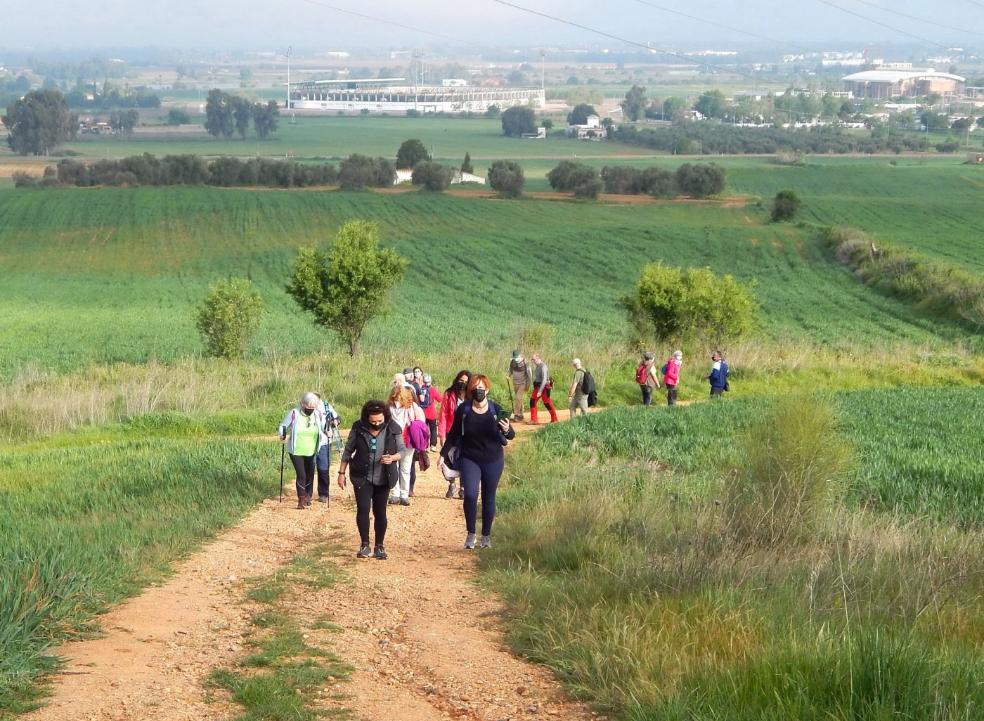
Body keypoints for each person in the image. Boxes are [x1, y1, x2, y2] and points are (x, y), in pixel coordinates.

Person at [441, 375, 515, 549]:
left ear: (487, 390)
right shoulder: (464, 410)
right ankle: (471, 534)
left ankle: (486, 537)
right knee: (471, 495)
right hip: (470, 458)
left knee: (489, 497)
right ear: (470, 391)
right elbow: (453, 434)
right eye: (474, 388)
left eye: (481, 388)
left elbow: (511, 435)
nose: (478, 391)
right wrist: (443, 455)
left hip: (493, 459)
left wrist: (506, 428)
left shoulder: (495, 409)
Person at [336, 400, 405, 560]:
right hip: (362, 476)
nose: (376, 424)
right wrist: (341, 472)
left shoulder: (393, 428)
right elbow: (347, 451)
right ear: (366, 418)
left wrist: (392, 458)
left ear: (385, 417)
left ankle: (379, 546)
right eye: (373, 421)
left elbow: (402, 450)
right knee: (363, 508)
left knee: (380, 512)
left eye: (380, 421)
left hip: (384, 477)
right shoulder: (358, 427)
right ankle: (364, 544)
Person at [278, 392, 328, 509]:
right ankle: (301, 499)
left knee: (310, 474)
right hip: (296, 450)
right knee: (301, 474)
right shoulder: (294, 413)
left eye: (312, 407)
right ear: (302, 404)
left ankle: (308, 496)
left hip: (311, 449)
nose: (310, 409)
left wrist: (328, 431)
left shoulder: (318, 415)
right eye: (308, 407)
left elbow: (324, 427)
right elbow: (283, 426)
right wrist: (282, 435)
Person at [387, 385, 424, 505]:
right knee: (394, 468)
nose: (396, 399)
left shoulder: (412, 407)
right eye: (395, 397)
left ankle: (404, 495)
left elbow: (421, 422)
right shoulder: (388, 408)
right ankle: (395, 494)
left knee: (405, 469)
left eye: (398, 396)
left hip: (408, 441)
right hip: (392, 441)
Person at [438, 369, 471, 499]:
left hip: (467, 435)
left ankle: (463, 488)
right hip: (451, 432)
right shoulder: (449, 394)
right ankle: (451, 484)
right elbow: (443, 415)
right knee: (447, 460)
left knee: (465, 460)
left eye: (466, 382)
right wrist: (442, 434)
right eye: (460, 380)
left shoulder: (471, 396)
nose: (462, 383)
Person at [314, 392, 342, 503]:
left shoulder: (326, 406)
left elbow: (337, 418)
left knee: (323, 468)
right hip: (309, 443)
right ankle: (306, 494)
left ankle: (323, 493)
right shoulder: (304, 407)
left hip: (325, 441)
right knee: (309, 468)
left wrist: (335, 421)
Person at [529, 353, 558, 424]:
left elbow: (544, 380)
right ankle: (534, 420)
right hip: (538, 387)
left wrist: (540, 391)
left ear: (538, 358)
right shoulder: (538, 366)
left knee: (547, 403)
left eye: (534, 359)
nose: (533, 361)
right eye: (533, 360)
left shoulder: (543, 367)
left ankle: (555, 419)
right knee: (532, 401)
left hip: (544, 387)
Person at [507, 350, 532, 422]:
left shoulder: (526, 363)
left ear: (520, 356)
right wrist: (508, 375)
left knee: (518, 398)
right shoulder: (512, 362)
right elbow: (510, 370)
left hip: (523, 383)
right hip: (515, 383)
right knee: (519, 399)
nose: (515, 360)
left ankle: (516, 415)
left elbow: (529, 375)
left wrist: (527, 385)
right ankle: (521, 414)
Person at [420, 373, 441, 452]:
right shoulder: (433, 389)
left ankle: (425, 446)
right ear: (430, 381)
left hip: (423, 413)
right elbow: (439, 399)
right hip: (432, 413)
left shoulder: (421, 389)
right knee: (433, 429)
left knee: (424, 429)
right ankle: (433, 445)